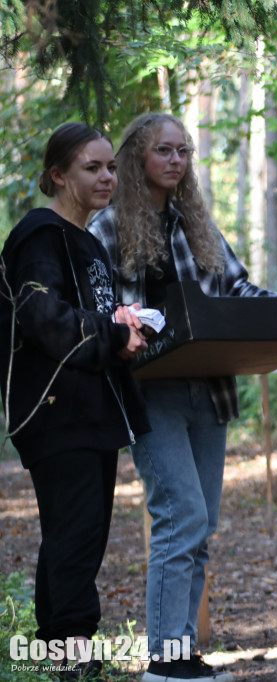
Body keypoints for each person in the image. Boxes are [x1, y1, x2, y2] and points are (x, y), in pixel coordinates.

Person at [88, 113, 277, 682]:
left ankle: (183, 652)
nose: (176, 161)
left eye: (183, 152)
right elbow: (103, 313)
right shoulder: (106, 227)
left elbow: (237, 286)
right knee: (180, 515)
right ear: (136, 158)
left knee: (203, 523)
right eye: (163, 151)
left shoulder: (195, 224)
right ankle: (165, 660)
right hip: (152, 391)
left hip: (210, 390)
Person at [0, 123, 150, 681]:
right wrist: (112, 336)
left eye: (111, 166)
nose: (107, 177)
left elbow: (83, 316)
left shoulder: (86, 239)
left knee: (74, 537)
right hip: (56, 410)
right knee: (76, 538)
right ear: (58, 175)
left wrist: (125, 327)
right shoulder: (41, 234)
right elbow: (40, 318)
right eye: (92, 167)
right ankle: (74, 660)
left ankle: (61, 654)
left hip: (91, 411)